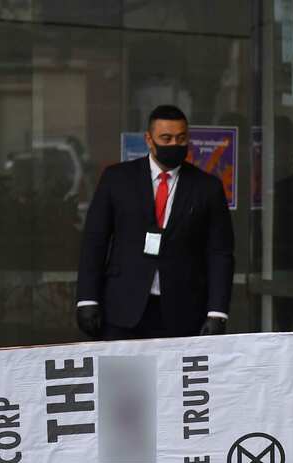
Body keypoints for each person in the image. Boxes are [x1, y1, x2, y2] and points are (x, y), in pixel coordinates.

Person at [75, 104, 234, 340]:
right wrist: (87, 299)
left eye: (180, 139)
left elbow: (219, 253)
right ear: (149, 140)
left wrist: (217, 313)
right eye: (166, 138)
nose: (174, 145)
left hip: (184, 310)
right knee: (125, 377)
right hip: (122, 308)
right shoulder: (117, 179)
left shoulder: (207, 187)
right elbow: (94, 241)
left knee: (171, 377)